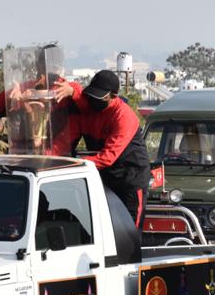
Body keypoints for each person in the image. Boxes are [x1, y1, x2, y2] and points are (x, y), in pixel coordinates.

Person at [64, 70, 151, 225]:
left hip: (131, 179)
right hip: (106, 178)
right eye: (91, 95)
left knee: (130, 230)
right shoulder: (86, 108)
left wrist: (76, 164)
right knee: (105, 227)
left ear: (113, 97)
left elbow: (107, 157)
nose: (93, 100)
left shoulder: (123, 116)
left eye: (99, 97)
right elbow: (74, 92)